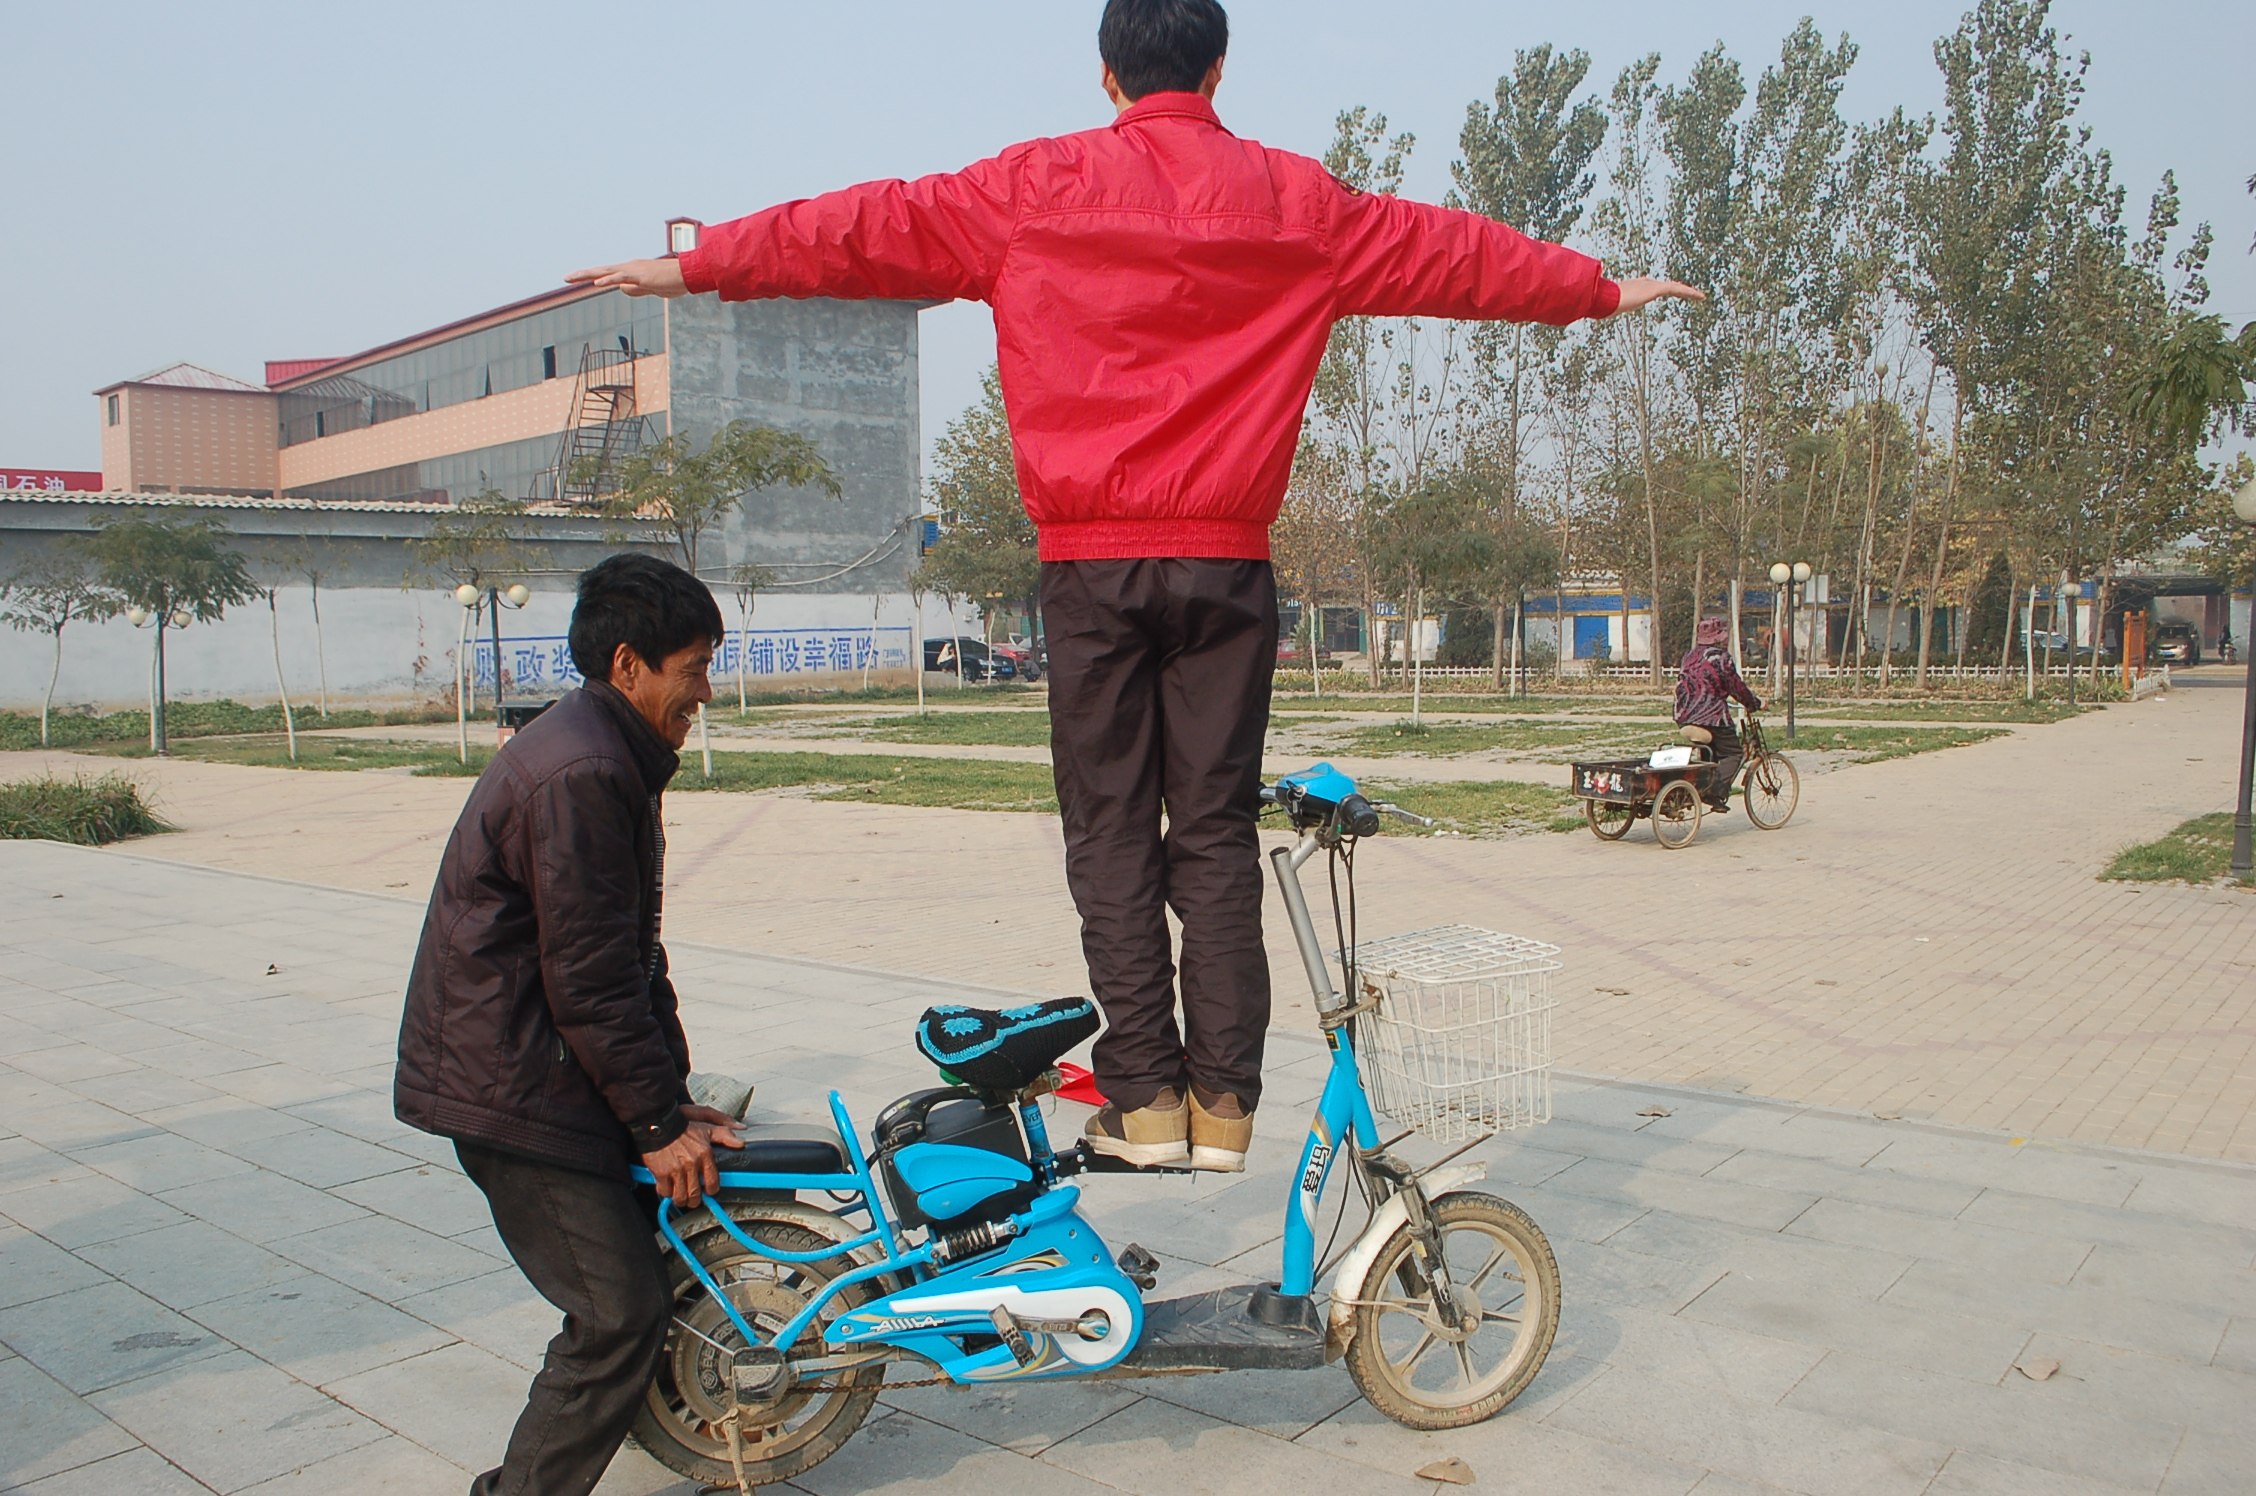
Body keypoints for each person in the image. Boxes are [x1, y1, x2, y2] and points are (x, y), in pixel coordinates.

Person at [568, 0, 1700, 1172]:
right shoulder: (1297, 202)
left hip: (1090, 565)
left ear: (1107, 76)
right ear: (1216, 67)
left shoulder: (1033, 188)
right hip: (1227, 561)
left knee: (1110, 829)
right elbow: (1450, 253)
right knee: (1209, 830)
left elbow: (864, 227)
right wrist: (1594, 288)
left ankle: (1146, 1101)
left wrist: (698, 264)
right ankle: (1226, 1108)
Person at [394, 553, 742, 1496]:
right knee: (618, 1311)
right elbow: (588, 976)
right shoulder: (585, 769)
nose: (703, 692)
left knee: (660, 1258)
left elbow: (633, 959)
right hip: (516, 1088)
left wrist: (671, 1104)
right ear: (629, 665)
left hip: (542, 1065)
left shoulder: (600, 750)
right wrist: (657, 1125)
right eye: (694, 668)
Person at [1676, 617, 1762, 812]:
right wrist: (1753, 703)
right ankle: (1715, 792)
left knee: (1712, 752)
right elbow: (1736, 687)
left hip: (1685, 715)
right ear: (1718, 638)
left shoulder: (1689, 656)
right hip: (1711, 716)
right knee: (1734, 753)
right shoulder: (1720, 658)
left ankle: (1704, 787)